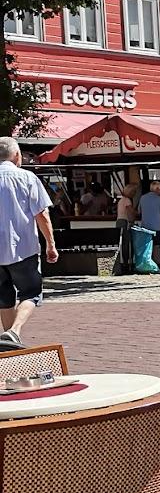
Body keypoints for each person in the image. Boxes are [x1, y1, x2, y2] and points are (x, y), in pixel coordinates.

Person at [0, 136, 58, 348]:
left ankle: (8, 341)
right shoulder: (27, 178)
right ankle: (14, 332)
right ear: (17, 156)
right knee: (31, 292)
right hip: (22, 247)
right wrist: (50, 244)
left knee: (3, 297)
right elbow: (42, 214)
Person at [137, 180, 160, 262]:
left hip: (145, 226)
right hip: (156, 226)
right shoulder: (159, 199)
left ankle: (147, 262)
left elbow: (139, 212)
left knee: (146, 246)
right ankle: (154, 263)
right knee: (155, 246)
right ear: (158, 189)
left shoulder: (142, 198)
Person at [115, 182, 138, 272]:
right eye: (134, 192)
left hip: (119, 221)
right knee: (126, 244)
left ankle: (123, 262)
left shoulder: (121, 200)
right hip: (125, 222)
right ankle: (126, 263)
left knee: (122, 243)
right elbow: (130, 213)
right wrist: (132, 221)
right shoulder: (128, 201)